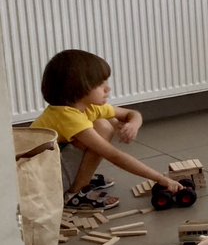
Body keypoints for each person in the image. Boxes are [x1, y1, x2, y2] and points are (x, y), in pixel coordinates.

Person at [32, 49, 182, 211]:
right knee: (102, 127)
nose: (107, 89)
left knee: (102, 124)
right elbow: (114, 156)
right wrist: (160, 179)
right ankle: (76, 193)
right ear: (78, 88)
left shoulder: (87, 107)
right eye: (100, 84)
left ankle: (80, 179)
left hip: (54, 166)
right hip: (43, 181)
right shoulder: (67, 117)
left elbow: (132, 114)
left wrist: (133, 124)